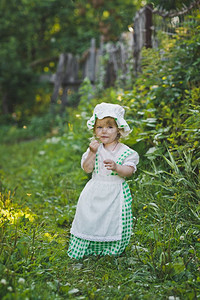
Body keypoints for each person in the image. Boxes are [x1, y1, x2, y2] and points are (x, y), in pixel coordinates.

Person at [67, 102, 139, 259]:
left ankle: (110, 250)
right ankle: (88, 246)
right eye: (99, 127)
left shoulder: (126, 152)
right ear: (94, 130)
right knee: (90, 218)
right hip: (94, 190)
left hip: (115, 192)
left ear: (119, 130)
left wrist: (117, 167)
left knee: (112, 219)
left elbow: (129, 171)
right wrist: (92, 153)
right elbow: (87, 168)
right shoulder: (94, 148)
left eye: (109, 127)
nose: (104, 131)